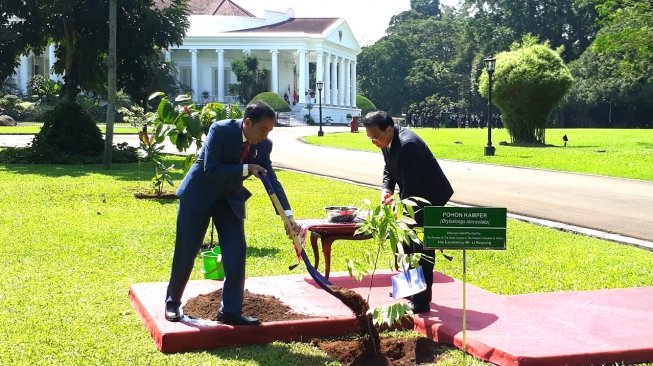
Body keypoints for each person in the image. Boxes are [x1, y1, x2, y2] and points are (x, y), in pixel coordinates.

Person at [165, 102, 300, 326]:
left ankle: (230, 311)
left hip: (229, 201)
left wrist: (288, 216)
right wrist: (248, 168)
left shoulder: (264, 146)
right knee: (186, 250)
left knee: (236, 250)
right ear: (247, 122)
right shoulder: (221, 130)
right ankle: (172, 302)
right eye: (263, 129)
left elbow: (271, 180)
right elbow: (211, 169)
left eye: (270, 131)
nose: (265, 136)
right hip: (198, 196)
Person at [363, 110, 454, 314]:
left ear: (389, 128)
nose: (374, 142)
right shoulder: (386, 140)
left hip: (429, 199)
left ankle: (421, 301)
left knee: (421, 250)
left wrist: (398, 210)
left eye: (375, 137)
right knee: (405, 245)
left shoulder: (408, 145)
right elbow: (389, 169)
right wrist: (386, 191)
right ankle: (409, 288)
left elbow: (412, 189)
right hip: (411, 196)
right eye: (370, 138)